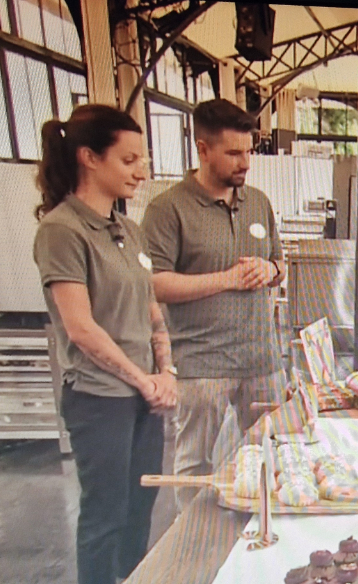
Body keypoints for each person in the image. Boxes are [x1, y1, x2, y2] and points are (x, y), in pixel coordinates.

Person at [31, 105, 177, 584]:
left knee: (140, 505)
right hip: (100, 397)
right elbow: (81, 329)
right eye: (130, 158)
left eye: (144, 159)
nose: (142, 170)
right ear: (89, 158)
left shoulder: (127, 230)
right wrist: (142, 379)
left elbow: (150, 307)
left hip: (143, 394)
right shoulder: (62, 230)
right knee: (105, 510)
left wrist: (166, 372)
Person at [141, 99, 286, 508]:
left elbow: (281, 263)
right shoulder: (168, 209)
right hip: (202, 365)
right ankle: (192, 546)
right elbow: (155, 284)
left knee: (272, 453)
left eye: (249, 151)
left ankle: (262, 533)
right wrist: (228, 279)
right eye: (234, 153)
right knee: (194, 464)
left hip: (262, 360)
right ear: (203, 149)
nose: (246, 162)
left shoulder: (257, 201)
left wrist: (269, 270)